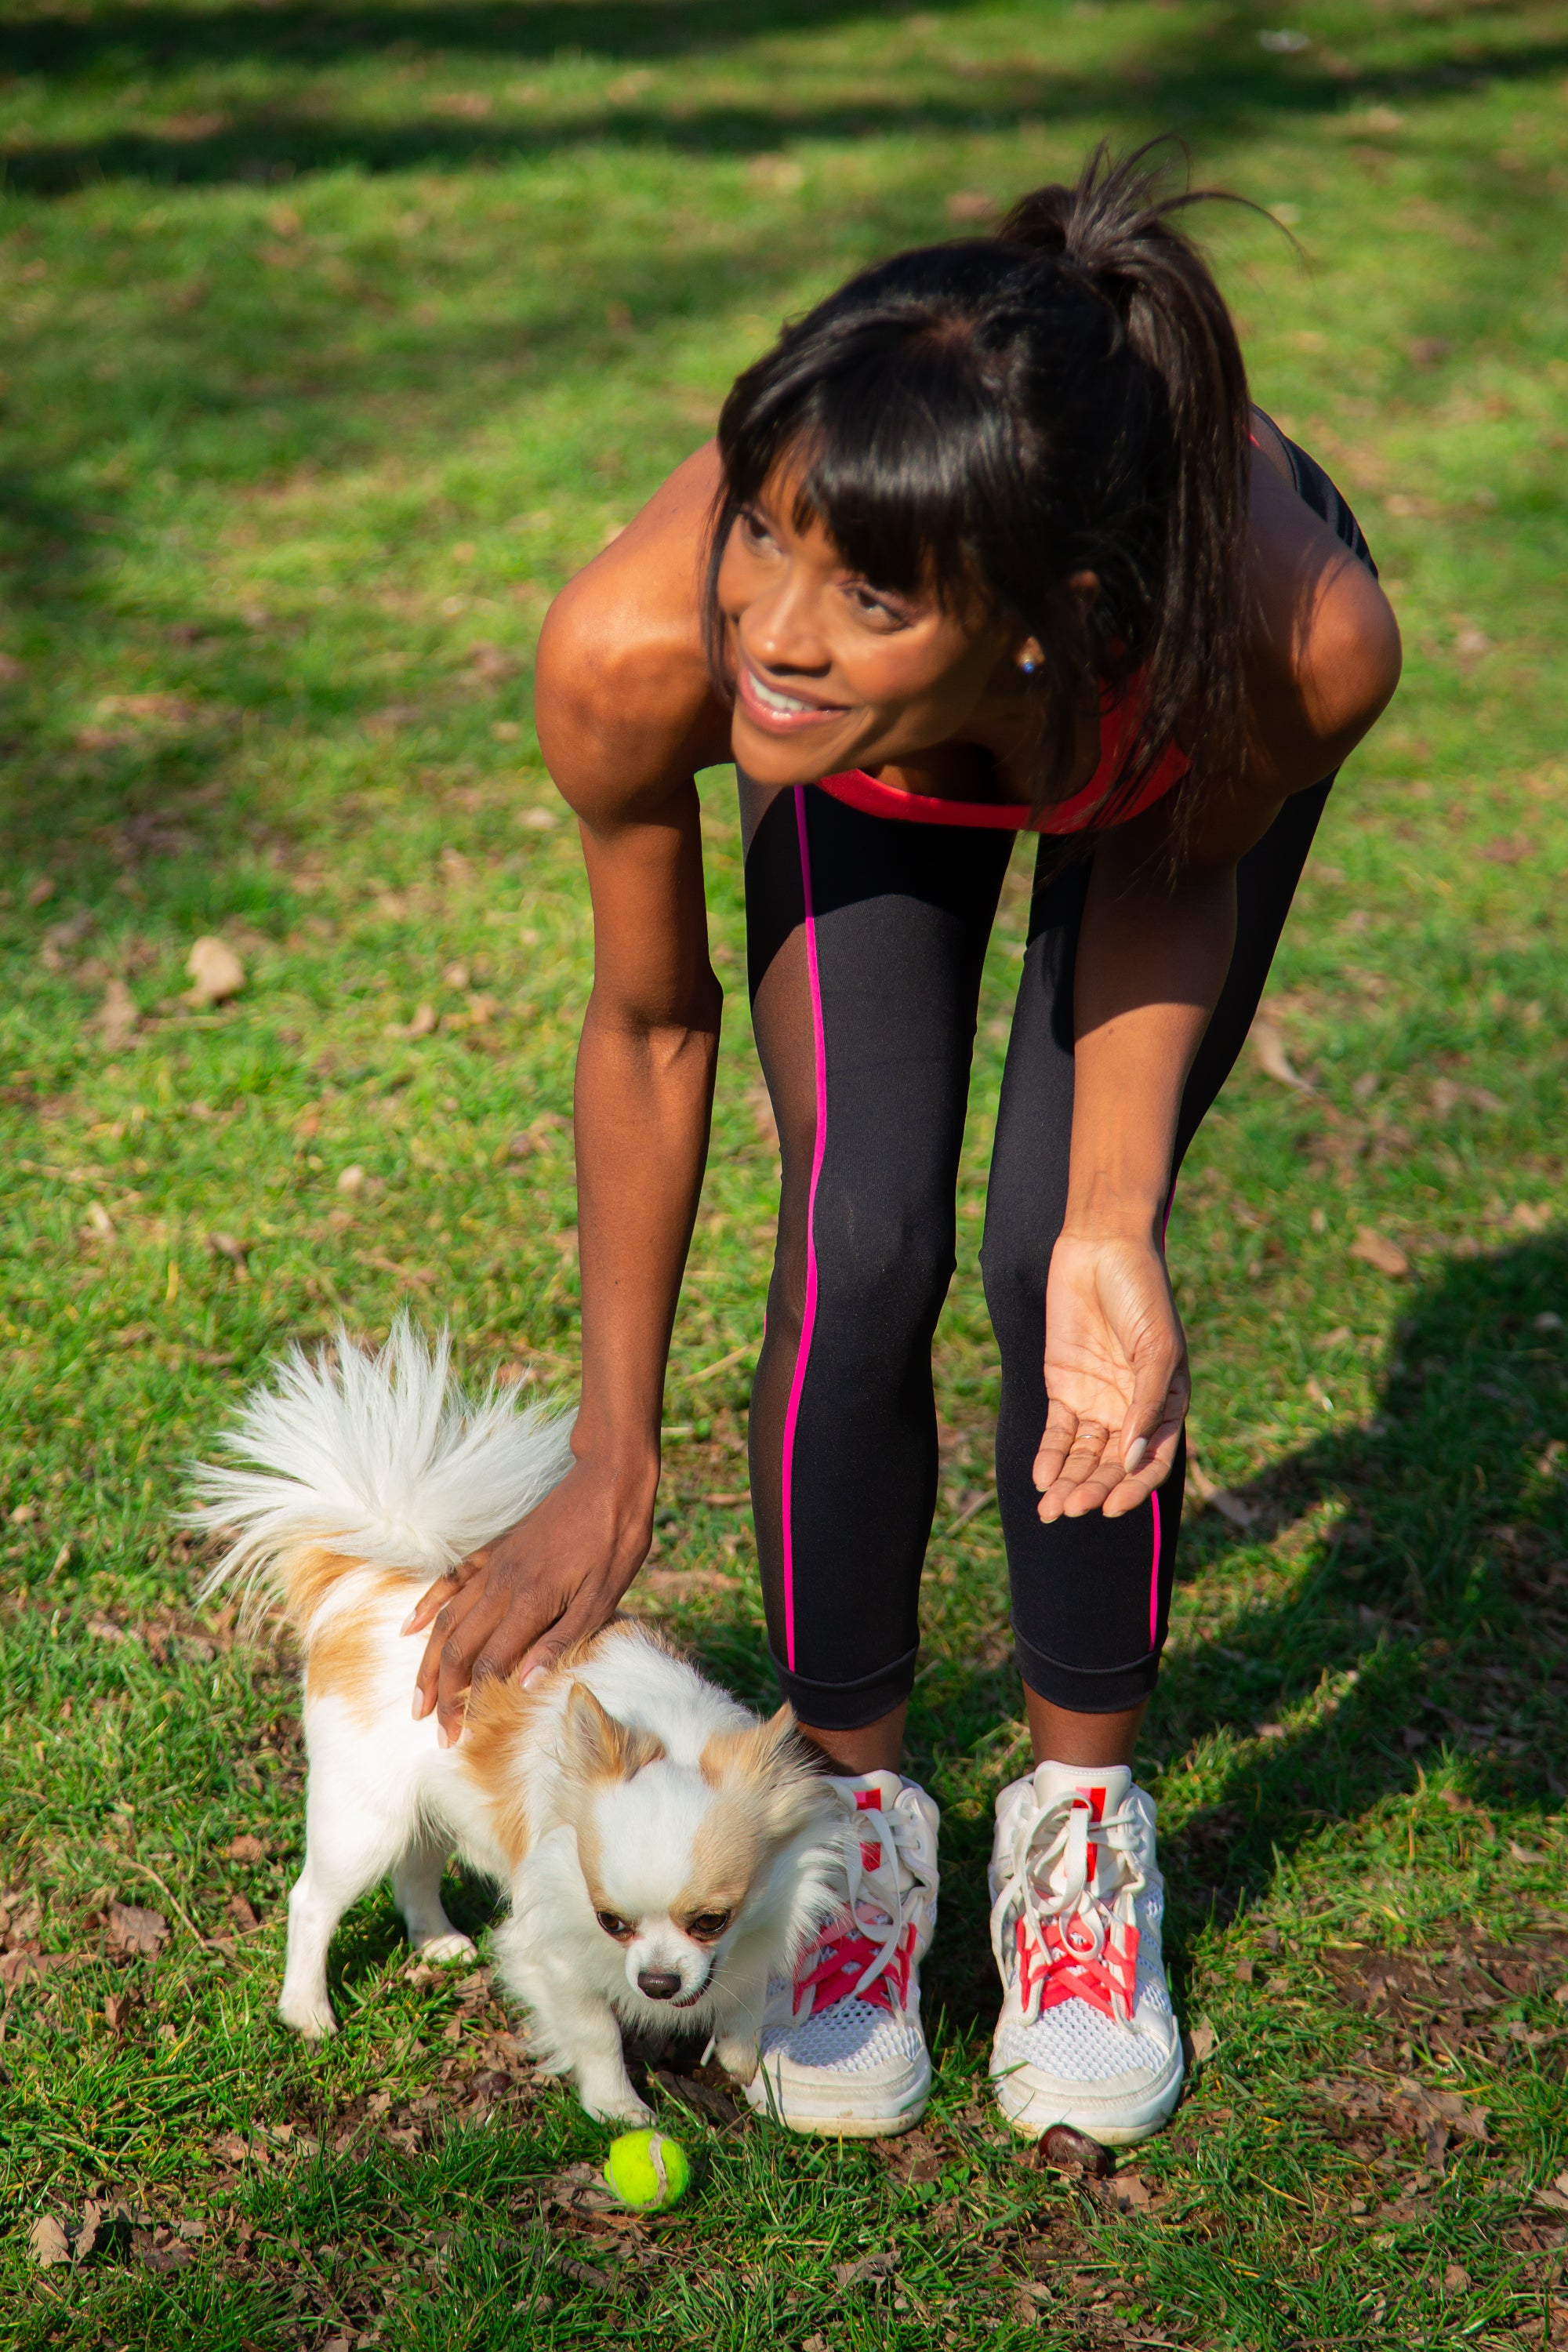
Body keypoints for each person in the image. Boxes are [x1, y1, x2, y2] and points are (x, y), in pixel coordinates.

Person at [403, 145, 1400, 2145]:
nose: (772, 627)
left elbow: (1168, 867)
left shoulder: (1292, 639)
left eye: (859, 592)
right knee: (862, 1241)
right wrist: (613, 1449)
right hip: (930, 749)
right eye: (761, 536)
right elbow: (651, 1019)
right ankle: (845, 1836)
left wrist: (1117, 1225)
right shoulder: (655, 654)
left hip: (1152, 744)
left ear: (1047, 618)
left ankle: (1082, 1835)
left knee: (1056, 1261)